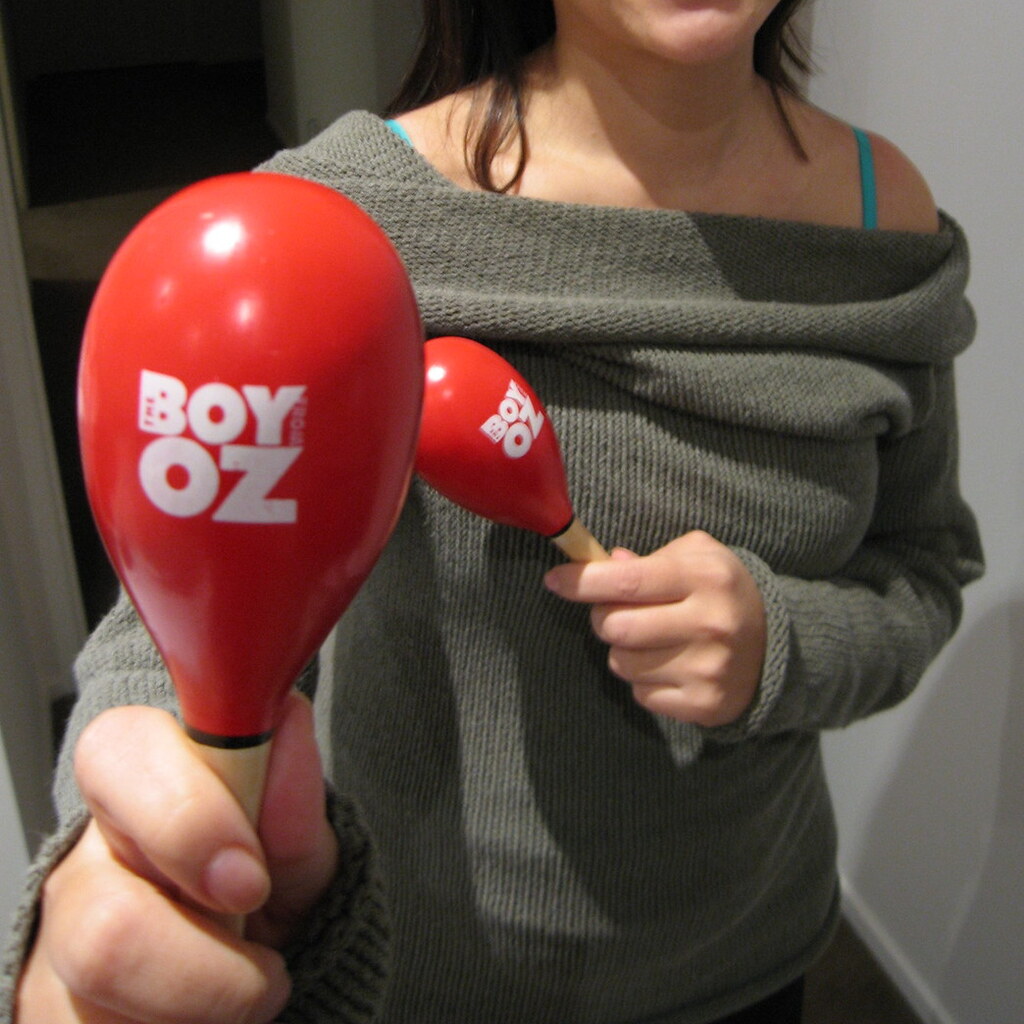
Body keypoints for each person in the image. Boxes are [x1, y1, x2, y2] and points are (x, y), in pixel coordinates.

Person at [4, 0, 984, 1021]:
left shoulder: (884, 217)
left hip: (754, 957)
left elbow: (921, 570)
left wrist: (779, 644)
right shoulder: (341, 218)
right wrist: (114, 865)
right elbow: (179, 627)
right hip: (433, 983)